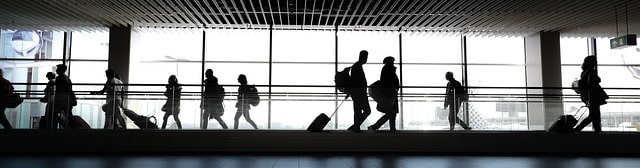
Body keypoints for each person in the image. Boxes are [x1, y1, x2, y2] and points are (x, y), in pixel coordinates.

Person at [574, 55, 608, 133]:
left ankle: (597, 130)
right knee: (594, 115)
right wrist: (591, 99)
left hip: (587, 97)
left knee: (594, 115)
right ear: (591, 62)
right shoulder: (591, 72)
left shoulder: (584, 72)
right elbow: (591, 87)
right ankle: (578, 129)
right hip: (593, 97)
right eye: (595, 61)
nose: (596, 62)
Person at [368, 56, 400, 131]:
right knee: (391, 113)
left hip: (390, 93)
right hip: (390, 94)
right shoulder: (388, 69)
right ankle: (376, 126)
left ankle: (389, 128)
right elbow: (389, 82)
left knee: (391, 113)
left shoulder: (386, 69)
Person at [347, 50, 371, 132]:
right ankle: (356, 126)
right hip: (359, 92)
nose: (366, 59)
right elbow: (356, 81)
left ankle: (356, 126)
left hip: (357, 92)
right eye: (366, 57)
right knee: (366, 110)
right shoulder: (357, 67)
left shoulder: (356, 66)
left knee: (358, 110)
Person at [53, 64, 75, 129]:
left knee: (54, 113)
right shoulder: (67, 78)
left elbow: (59, 89)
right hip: (67, 98)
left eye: (57, 68)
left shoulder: (59, 78)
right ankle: (69, 126)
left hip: (61, 98)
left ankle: (63, 126)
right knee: (68, 113)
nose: (56, 70)